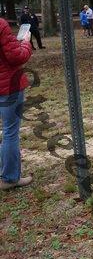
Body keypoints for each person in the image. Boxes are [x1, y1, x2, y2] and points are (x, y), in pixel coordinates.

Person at [0, 18, 34, 190]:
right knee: (10, 132)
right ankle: (9, 178)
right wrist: (26, 43)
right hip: (8, 87)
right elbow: (16, 57)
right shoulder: (1, 25)